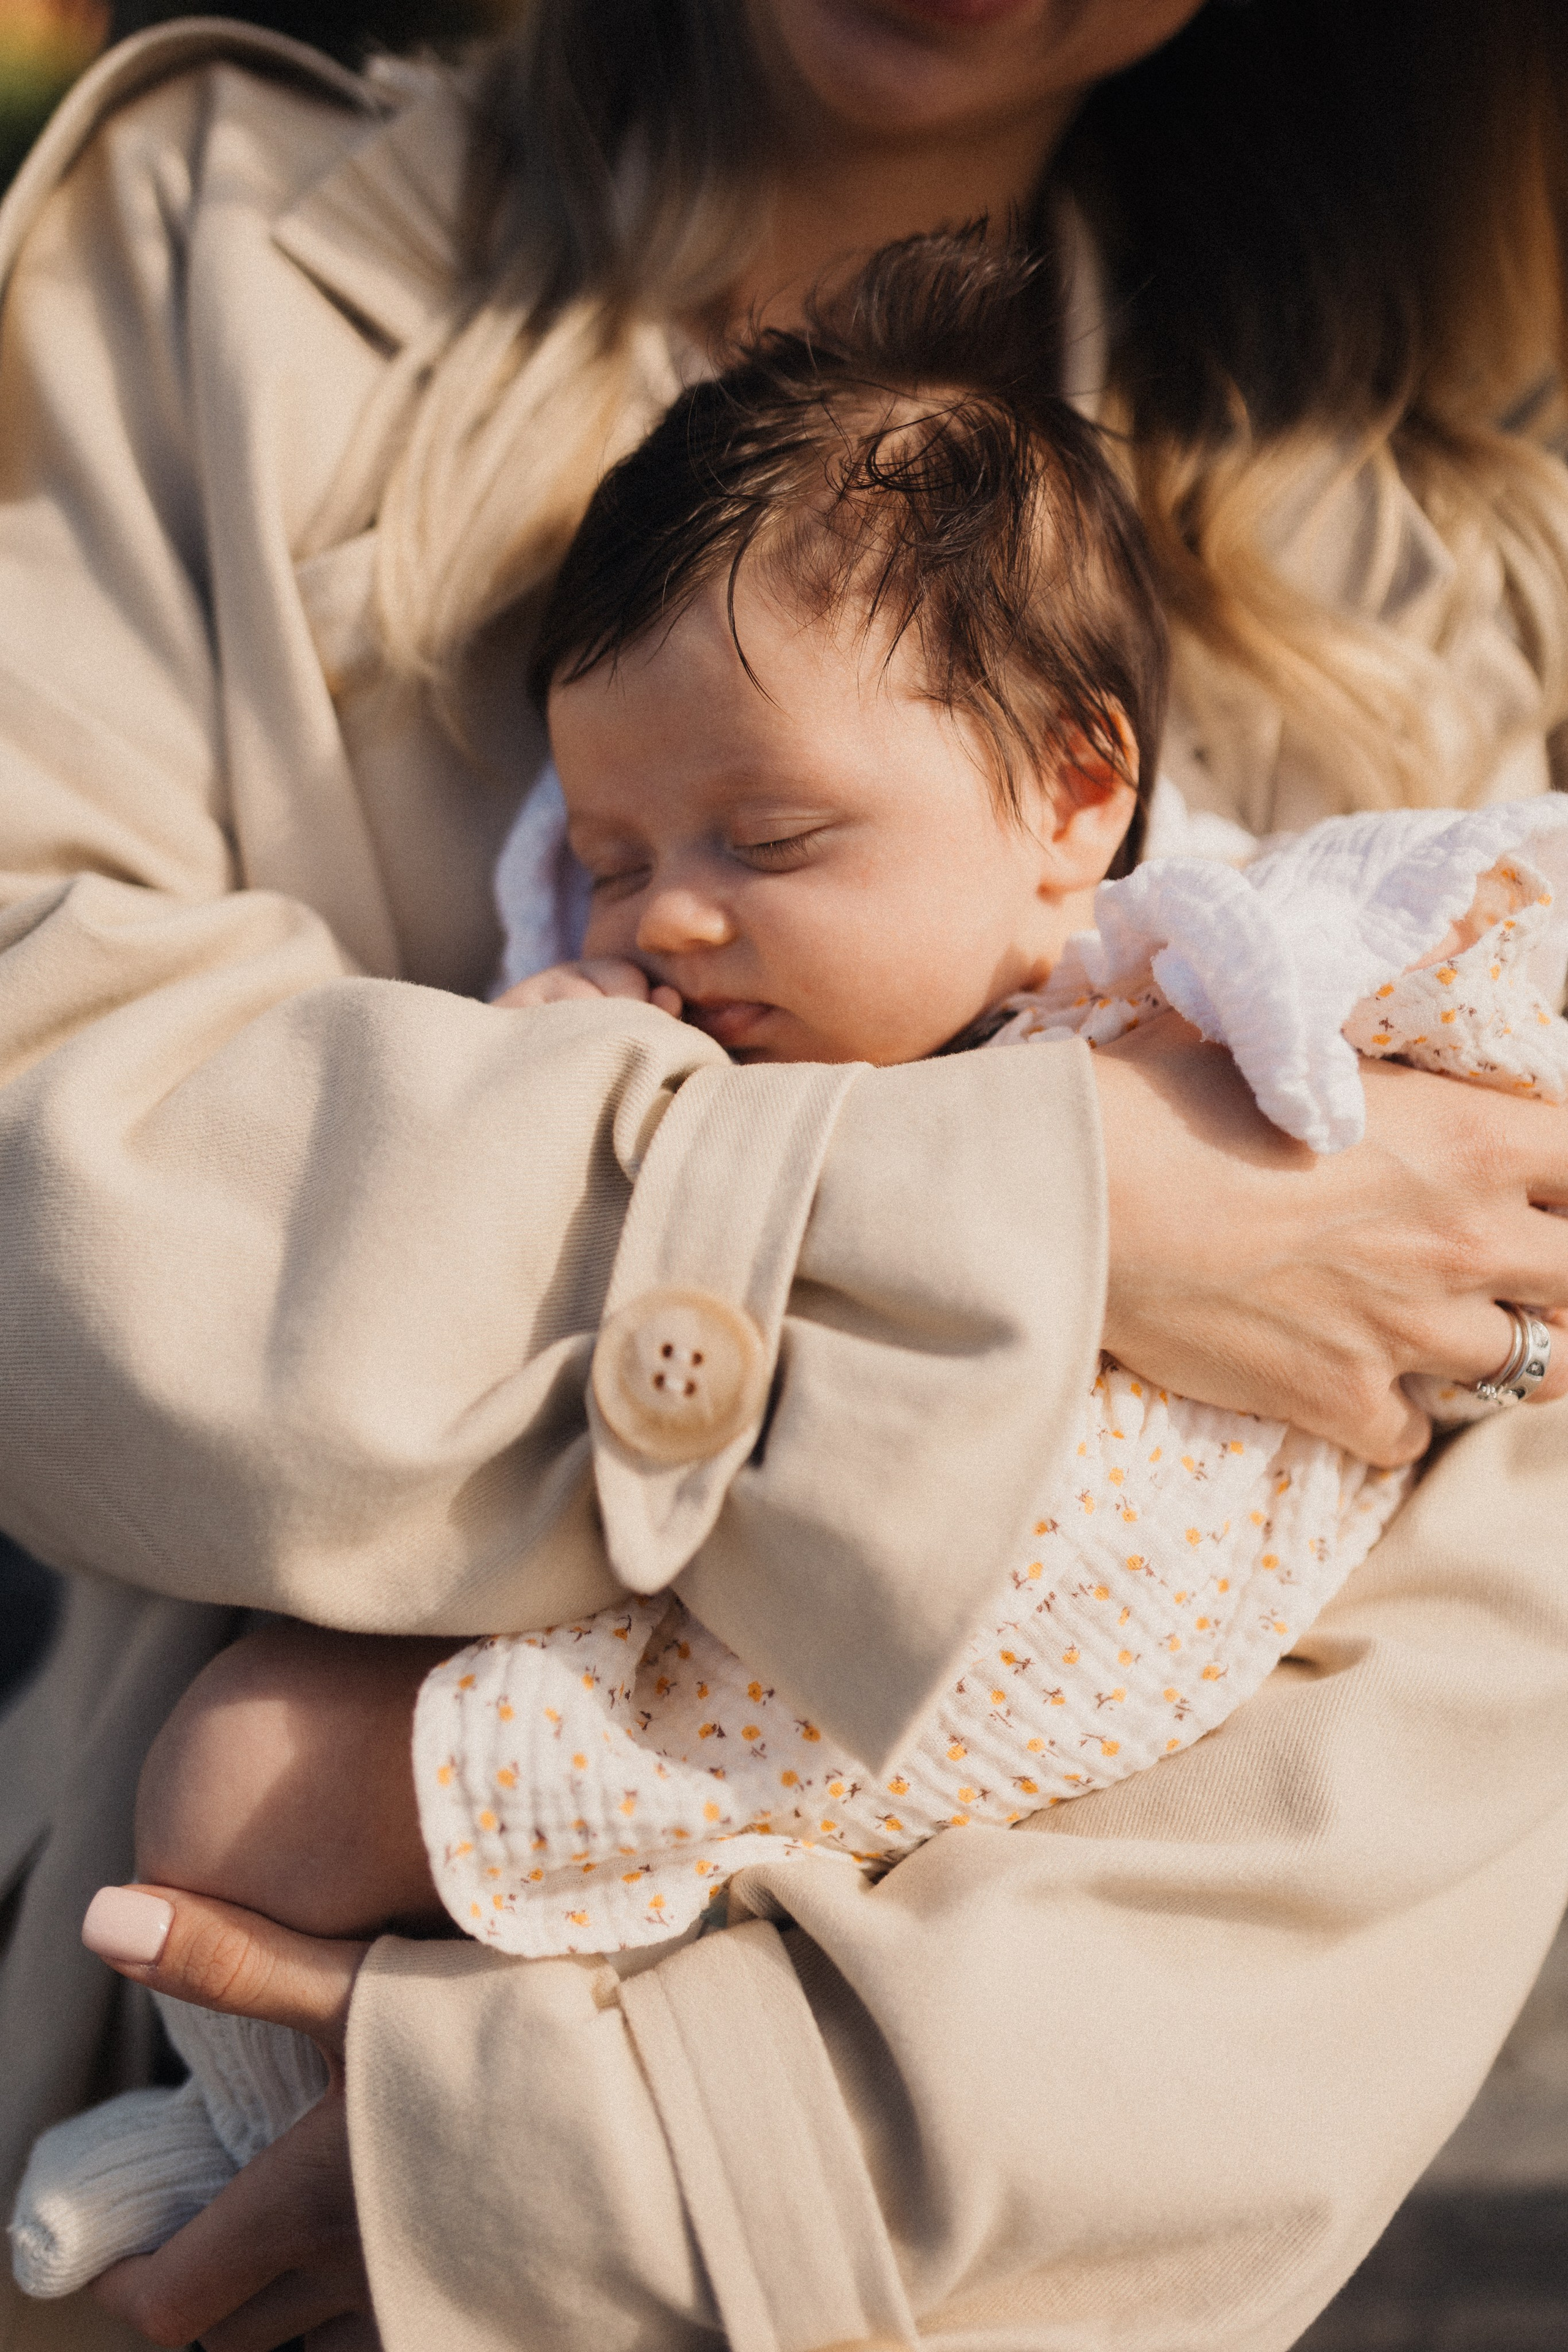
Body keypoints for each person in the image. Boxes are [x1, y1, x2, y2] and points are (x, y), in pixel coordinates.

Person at [3, 6, 1568, 2349]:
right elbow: (64, 1137)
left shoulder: (1425, 577)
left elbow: (1445, 1670)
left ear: (1083, 786)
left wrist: (607, 2168)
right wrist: (1067, 1214)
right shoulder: (207, 255)